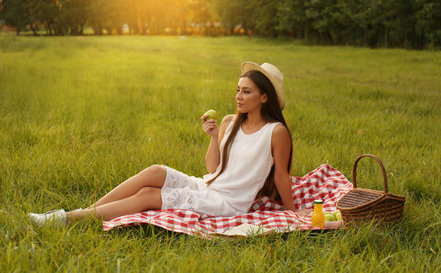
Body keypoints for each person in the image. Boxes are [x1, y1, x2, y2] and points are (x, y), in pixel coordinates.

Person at [28, 61, 309, 226]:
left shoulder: (276, 132)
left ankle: (67, 218)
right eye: (237, 90)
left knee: (150, 195)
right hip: (209, 185)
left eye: (246, 91)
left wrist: (294, 212)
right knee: (154, 172)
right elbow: (213, 168)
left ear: (264, 98)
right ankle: (85, 214)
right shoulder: (228, 122)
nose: (238, 96)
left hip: (228, 202)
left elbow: (281, 175)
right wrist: (213, 138)